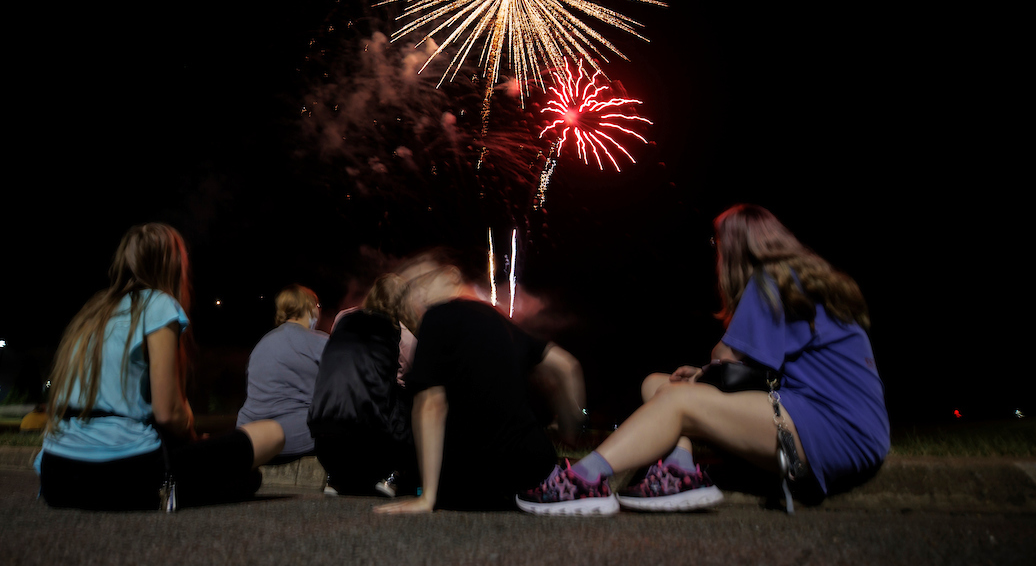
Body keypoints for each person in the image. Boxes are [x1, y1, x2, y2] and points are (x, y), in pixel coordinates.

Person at [516, 204, 890, 516]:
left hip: (835, 428)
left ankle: (585, 480)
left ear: (737, 246)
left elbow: (724, 356)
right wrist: (703, 374)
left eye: (718, 242)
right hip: (833, 419)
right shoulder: (798, 279)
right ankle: (679, 471)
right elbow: (756, 366)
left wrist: (707, 370)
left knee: (678, 398)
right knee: (659, 384)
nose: (716, 251)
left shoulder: (772, 281)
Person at [39, 223, 284, 510]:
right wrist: (193, 437)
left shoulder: (94, 310)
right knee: (272, 433)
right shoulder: (159, 304)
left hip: (57, 475)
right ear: (174, 265)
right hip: (120, 471)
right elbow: (168, 414)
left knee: (236, 474)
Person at [375, 251, 586, 513]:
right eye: (409, 289)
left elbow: (430, 405)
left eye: (421, 281)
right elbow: (567, 367)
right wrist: (570, 429)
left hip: (475, 478)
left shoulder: (437, 317)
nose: (416, 294)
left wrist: (427, 497)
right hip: (533, 467)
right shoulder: (497, 318)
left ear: (450, 276)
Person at [308, 274, 417, 496]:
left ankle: (334, 476)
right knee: (409, 396)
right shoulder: (403, 334)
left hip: (322, 422)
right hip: (369, 427)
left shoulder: (343, 317)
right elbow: (406, 378)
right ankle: (393, 475)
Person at [236, 284, 328, 461]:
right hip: (295, 436)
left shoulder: (261, 344)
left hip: (251, 435)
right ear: (309, 308)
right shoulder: (320, 343)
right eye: (317, 306)